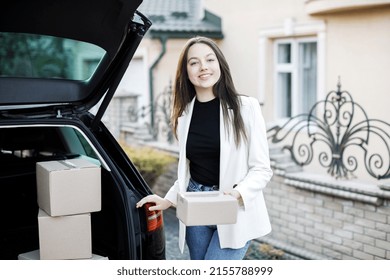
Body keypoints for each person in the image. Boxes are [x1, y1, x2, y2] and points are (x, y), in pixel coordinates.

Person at [136, 36, 273, 260]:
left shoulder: (246, 108)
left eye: (209, 59)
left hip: (233, 209)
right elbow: (188, 170)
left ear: (220, 64)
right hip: (196, 206)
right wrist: (167, 200)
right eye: (194, 62)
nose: (203, 67)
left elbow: (262, 169)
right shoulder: (184, 117)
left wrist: (238, 193)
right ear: (186, 71)